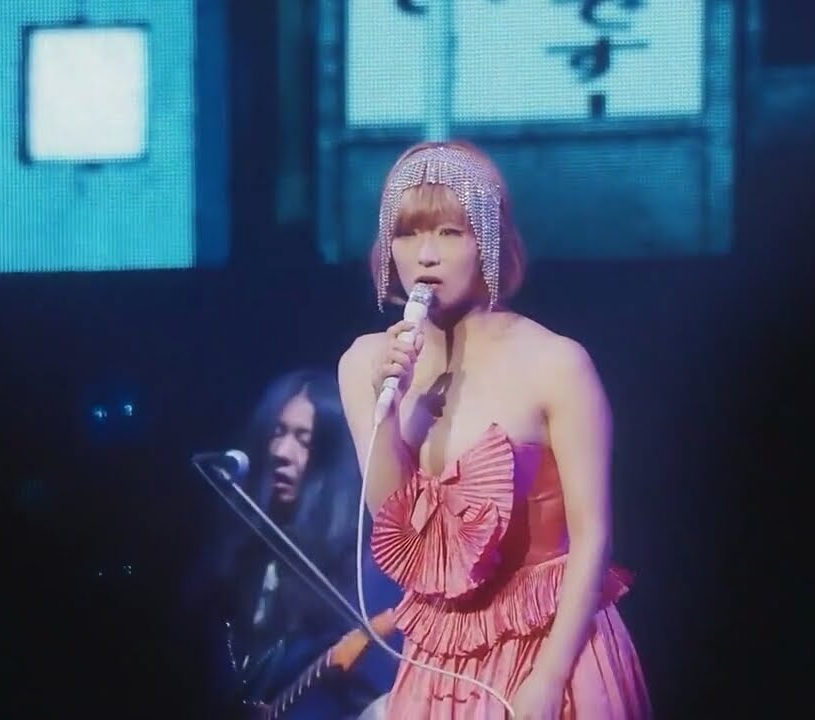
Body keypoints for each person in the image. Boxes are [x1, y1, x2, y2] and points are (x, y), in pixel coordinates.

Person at [337, 141, 651, 718]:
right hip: (441, 656)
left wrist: (548, 678)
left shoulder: (556, 363)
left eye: (449, 233)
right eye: (407, 234)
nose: (425, 255)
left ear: (489, 239)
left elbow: (593, 537)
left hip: (553, 643)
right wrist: (394, 406)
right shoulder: (365, 363)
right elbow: (392, 519)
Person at [189, 369, 403, 719]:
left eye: (304, 441)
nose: (281, 452)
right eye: (277, 433)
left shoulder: (363, 568)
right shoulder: (241, 553)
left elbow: (376, 699)